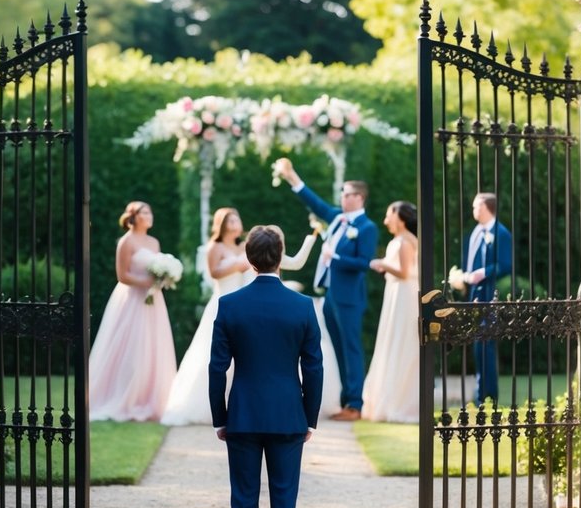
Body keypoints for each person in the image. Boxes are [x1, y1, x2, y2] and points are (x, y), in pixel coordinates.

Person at [209, 225, 323, 508]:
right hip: (289, 417)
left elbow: (216, 369)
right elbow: (314, 369)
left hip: (242, 416)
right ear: (281, 255)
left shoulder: (231, 306)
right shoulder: (302, 306)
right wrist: (309, 418)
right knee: (283, 506)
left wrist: (219, 417)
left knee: (243, 504)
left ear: (249, 256)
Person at [162, 208, 335, 426]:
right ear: (221, 224)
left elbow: (291, 262)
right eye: (230, 220)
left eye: (237, 219)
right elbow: (214, 272)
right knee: (214, 358)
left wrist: (311, 239)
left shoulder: (248, 246)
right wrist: (239, 263)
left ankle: (240, 405)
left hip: (244, 305)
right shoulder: (216, 247)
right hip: (223, 302)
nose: (235, 223)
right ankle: (212, 406)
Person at [272, 157, 377, 421]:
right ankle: (346, 402)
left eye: (351, 194)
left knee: (352, 348)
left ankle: (356, 404)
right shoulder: (338, 219)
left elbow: (364, 263)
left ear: (361, 198)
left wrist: (334, 257)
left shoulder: (367, 227)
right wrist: (291, 177)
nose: (345, 198)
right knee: (339, 348)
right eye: (343, 193)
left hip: (350, 297)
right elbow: (314, 202)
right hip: (331, 295)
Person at [87, 201, 178, 421]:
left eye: (150, 211)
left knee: (153, 347)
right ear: (134, 217)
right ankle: (123, 396)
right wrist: (145, 281)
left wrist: (162, 279)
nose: (149, 215)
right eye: (144, 212)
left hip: (153, 299)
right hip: (130, 299)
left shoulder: (154, 242)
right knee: (131, 347)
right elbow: (122, 275)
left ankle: (151, 398)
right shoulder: (126, 242)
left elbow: (155, 268)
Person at [453, 192, 512, 406]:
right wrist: (464, 279)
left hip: (491, 295)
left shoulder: (501, 233)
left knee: (486, 344)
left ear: (486, 207)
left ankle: (489, 397)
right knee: (477, 346)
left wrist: (483, 273)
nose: (473, 210)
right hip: (473, 295)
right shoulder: (476, 232)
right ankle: (479, 396)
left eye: (476, 206)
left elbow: (505, 265)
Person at [362, 201, 419, 423]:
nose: (386, 220)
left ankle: (399, 402)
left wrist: (382, 264)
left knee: (400, 342)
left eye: (389, 215)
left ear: (399, 217)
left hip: (404, 295)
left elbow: (404, 273)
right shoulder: (400, 240)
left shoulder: (405, 241)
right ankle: (392, 398)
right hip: (398, 293)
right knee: (394, 341)